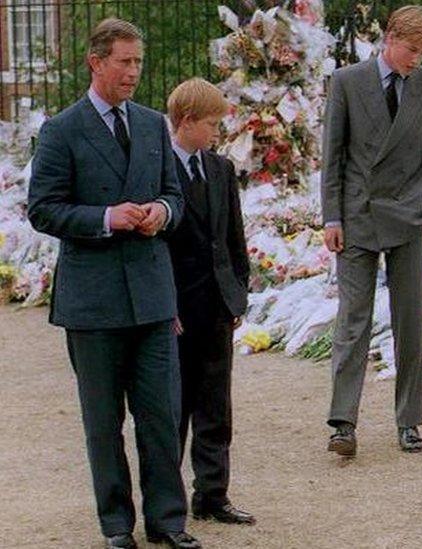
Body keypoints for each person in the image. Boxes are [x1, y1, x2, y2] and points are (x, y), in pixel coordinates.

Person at [27, 18, 201, 549]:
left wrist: (158, 212)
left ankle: (169, 522)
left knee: (161, 416)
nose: (133, 73)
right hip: (93, 302)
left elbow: (176, 196)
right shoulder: (62, 130)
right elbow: (43, 209)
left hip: (151, 297)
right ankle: (116, 525)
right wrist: (107, 217)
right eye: (124, 62)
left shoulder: (152, 125)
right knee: (103, 423)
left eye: (138, 63)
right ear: (96, 62)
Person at [321, 4, 422, 456]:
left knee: (411, 321)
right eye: (412, 49)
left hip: (411, 217)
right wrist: (332, 218)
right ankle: (343, 423)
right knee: (352, 321)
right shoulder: (346, 82)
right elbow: (333, 156)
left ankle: (409, 421)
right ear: (390, 38)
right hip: (357, 215)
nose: (417, 59)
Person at [164, 78, 253, 526]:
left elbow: (234, 237)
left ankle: (213, 494)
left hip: (217, 304)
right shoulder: (160, 171)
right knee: (174, 407)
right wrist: (165, 307)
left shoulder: (219, 169)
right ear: (187, 121)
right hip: (177, 309)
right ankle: (169, 500)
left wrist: (239, 289)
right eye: (213, 123)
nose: (218, 132)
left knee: (216, 404)